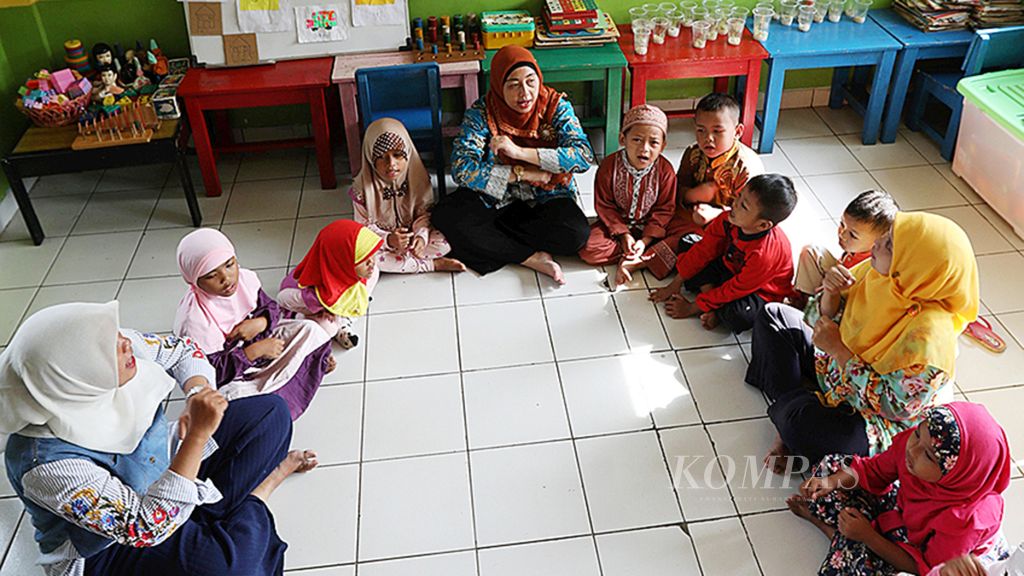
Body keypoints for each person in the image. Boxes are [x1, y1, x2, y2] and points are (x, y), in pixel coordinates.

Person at [0, 301, 317, 576]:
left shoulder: (112, 346)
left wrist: (196, 393)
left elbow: (183, 351)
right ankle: (257, 495)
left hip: (157, 466)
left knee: (270, 414)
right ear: (71, 382)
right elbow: (143, 527)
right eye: (109, 348)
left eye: (116, 334)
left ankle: (203, 527)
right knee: (233, 570)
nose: (126, 342)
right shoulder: (44, 464)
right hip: (106, 547)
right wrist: (197, 436)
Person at [746, 211, 979, 473]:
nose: (877, 243)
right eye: (886, 236)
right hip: (835, 368)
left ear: (915, 266)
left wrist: (841, 351)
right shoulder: (877, 274)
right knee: (773, 316)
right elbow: (818, 322)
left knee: (809, 428)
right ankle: (793, 410)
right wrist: (831, 295)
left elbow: (895, 408)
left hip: (872, 415)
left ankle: (792, 413)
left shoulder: (929, 341)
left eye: (890, 244)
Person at [430, 45, 594, 284]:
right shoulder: (482, 113)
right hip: (498, 196)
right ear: (498, 85)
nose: (525, 93)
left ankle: (491, 243)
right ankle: (530, 257)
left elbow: (582, 156)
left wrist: (521, 153)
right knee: (446, 215)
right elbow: (461, 169)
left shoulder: (555, 106)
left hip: (546, 195)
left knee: (576, 235)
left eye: (530, 81)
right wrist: (519, 174)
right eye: (513, 84)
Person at [789, 402, 1011, 575]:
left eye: (928, 456)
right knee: (834, 467)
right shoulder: (912, 448)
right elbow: (873, 471)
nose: (913, 450)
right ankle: (846, 533)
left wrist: (868, 536)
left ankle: (832, 531)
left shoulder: (966, 520)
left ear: (957, 474)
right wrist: (829, 483)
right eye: (917, 434)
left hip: (936, 560)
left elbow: (927, 569)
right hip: (905, 513)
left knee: (855, 561)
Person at [173, 228, 335, 420]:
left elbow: (272, 308)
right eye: (211, 275)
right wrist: (253, 352)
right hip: (236, 375)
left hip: (265, 347)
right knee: (230, 401)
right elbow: (210, 374)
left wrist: (261, 322)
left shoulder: (244, 280)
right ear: (193, 280)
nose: (226, 278)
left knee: (310, 330)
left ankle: (309, 368)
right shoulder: (193, 321)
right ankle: (296, 380)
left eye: (229, 265)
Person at [648, 174, 797, 334]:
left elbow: (736, 289)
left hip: (757, 291)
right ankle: (711, 301)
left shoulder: (765, 254)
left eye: (743, 206)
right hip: (731, 267)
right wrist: (675, 284)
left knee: (738, 315)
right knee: (688, 242)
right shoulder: (727, 219)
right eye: (739, 196)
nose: (734, 205)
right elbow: (704, 250)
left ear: (762, 225)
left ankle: (716, 311)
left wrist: (692, 308)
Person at [644, 92, 764, 279]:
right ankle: (658, 253)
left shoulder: (747, 168)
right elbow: (678, 189)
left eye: (717, 131)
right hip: (691, 215)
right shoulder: (693, 154)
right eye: (701, 130)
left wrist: (716, 215)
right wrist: (691, 195)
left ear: (738, 131)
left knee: (696, 240)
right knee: (660, 217)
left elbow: (751, 216)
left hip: (729, 225)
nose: (708, 138)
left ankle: (647, 259)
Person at [577, 104, 678, 288]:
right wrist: (625, 236)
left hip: (653, 231)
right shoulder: (608, 167)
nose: (644, 149)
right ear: (623, 139)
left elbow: (665, 208)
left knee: (683, 238)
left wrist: (645, 239)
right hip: (617, 229)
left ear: (663, 146)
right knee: (588, 249)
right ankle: (644, 256)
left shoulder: (666, 171)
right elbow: (605, 206)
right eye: (637, 140)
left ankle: (636, 258)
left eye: (653, 142)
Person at [351, 118, 465, 274]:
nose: (391, 164)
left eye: (398, 155)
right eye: (382, 157)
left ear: (408, 153)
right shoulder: (362, 188)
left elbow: (424, 214)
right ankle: (431, 265)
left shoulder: (417, 177)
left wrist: (421, 237)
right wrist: (389, 240)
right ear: (370, 158)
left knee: (449, 236)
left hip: (414, 236)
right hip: (382, 243)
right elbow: (363, 228)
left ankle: (408, 262)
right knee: (363, 256)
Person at [278, 219, 382, 349]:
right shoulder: (315, 292)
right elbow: (282, 298)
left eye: (372, 255)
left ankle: (346, 314)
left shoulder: (350, 270)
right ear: (343, 262)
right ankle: (342, 323)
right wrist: (322, 305)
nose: (371, 263)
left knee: (375, 273)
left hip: (341, 287)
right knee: (328, 328)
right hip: (314, 309)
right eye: (363, 259)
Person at [792, 190, 897, 310]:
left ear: (879, 241)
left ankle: (809, 310)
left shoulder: (876, 266)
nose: (842, 234)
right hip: (837, 278)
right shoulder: (857, 248)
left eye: (853, 235)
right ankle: (803, 300)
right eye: (842, 224)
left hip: (847, 300)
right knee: (812, 251)